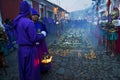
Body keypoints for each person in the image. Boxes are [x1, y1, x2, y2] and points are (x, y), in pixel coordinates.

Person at [13, 1, 46, 80]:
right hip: (29, 50)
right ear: (28, 10)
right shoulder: (29, 22)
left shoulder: (17, 21)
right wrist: (42, 34)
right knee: (32, 69)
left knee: (23, 69)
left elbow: (16, 35)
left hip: (21, 49)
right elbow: (34, 38)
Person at [31, 8, 50, 72]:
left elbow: (46, 31)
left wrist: (44, 34)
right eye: (33, 15)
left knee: (44, 56)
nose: (35, 16)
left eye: (36, 15)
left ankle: (44, 68)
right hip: (33, 45)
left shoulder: (41, 23)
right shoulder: (29, 24)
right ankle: (36, 69)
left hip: (42, 44)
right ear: (30, 16)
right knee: (35, 58)